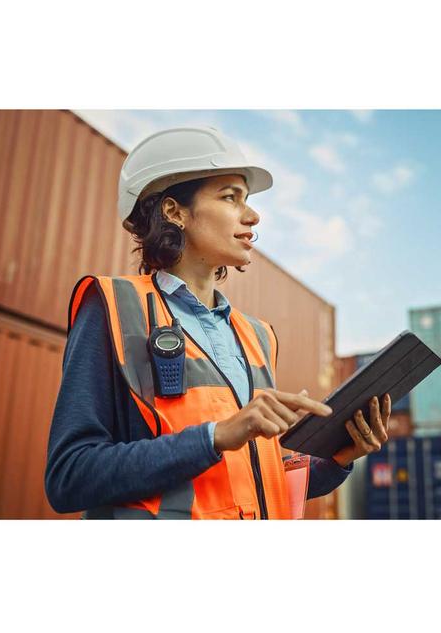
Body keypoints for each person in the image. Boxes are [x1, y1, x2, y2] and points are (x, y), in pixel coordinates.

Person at [45, 125, 391, 519]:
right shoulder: (113, 307)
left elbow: (252, 483)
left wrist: (337, 460)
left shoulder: (257, 336)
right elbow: (68, 476)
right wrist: (216, 435)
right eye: (231, 197)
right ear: (174, 211)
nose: (253, 214)